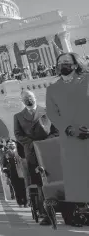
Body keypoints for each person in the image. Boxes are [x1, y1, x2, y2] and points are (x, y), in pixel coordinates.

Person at [46, 52, 89, 206]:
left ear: (75, 64)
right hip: (70, 137)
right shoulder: (52, 89)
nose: (63, 65)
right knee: (78, 175)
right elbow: (52, 113)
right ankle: (82, 211)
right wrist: (69, 129)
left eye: (66, 62)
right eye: (60, 62)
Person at [14, 89, 59, 225]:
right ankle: (45, 214)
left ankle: (67, 210)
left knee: (55, 180)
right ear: (22, 101)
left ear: (35, 97)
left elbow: (56, 130)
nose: (29, 99)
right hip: (33, 153)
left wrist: (46, 142)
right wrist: (32, 143)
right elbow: (18, 134)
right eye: (26, 98)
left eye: (30, 96)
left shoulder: (46, 111)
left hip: (50, 151)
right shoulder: (18, 116)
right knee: (40, 184)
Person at [2, 142, 27, 207]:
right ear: (8, 146)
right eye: (10, 145)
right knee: (16, 189)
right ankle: (20, 203)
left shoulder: (19, 152)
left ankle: (25, 202)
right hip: (12, 173)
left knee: (24, 188)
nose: (11, 146)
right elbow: (4, 165)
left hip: (21, 172)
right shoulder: (6, 154)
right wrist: (7, 174)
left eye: (12, 144)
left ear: (15, 145)